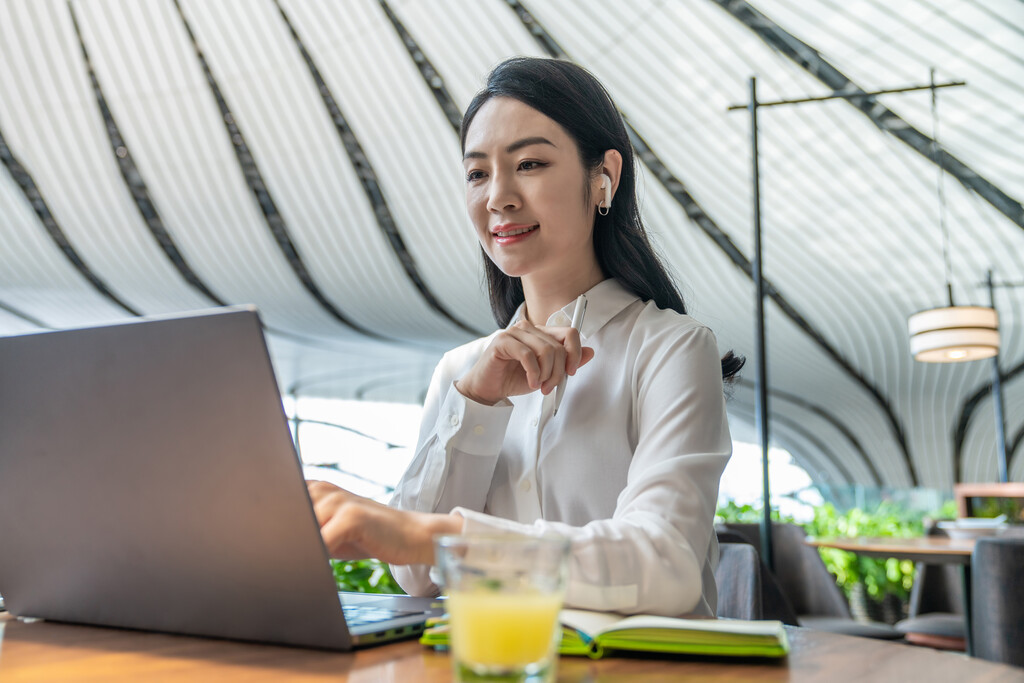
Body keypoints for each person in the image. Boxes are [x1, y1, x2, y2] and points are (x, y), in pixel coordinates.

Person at [308, 56, 743, 618]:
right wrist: (476, 404)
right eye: (477, 173)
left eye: (530, 163)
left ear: (604, 176)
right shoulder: (460, 373)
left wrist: (435, 536)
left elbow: (667, 565)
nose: (498, 197)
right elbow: (414, 575)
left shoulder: (673, 348)